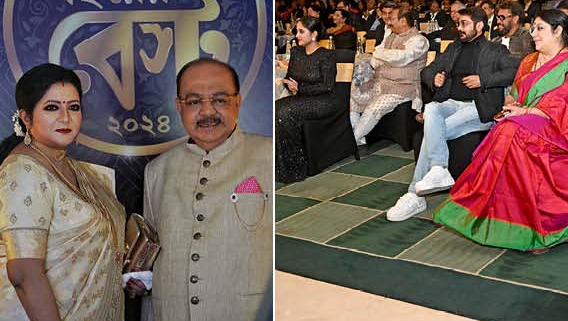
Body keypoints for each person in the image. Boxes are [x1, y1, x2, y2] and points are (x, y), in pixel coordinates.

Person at [432, 9, 568, 252]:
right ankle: (494, 213)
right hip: (523, 119)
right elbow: (515, 95)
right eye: (533, 29)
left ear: (558, 30)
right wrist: (512, 105)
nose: (534, 34)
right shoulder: (529, 61)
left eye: (540, 28)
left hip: (558, 127)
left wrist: (527, 112)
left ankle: (537, 225)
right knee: (507, 131)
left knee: (514, 134)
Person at [140, 58, 273, 320]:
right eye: (194, 101)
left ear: (238, 101)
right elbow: (151, 257)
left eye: (220, 99)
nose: (207, 111)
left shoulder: (268, 154)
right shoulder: (157, 170)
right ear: (179, 106)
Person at [0, 64, 125, 320]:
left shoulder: (76, 169)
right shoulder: (22, 171)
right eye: (52, 107)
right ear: (26, 117)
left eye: (74, 107)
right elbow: (24, 273)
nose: (65, 118)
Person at [385, 7, 518, 222]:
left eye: (464, 24)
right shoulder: (454, 48)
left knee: (431, 132)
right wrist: (434, 78)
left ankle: (415, 193)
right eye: (458, 24)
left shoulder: (495, 50)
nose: (459, 28)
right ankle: (438, 168)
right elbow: (427, 70)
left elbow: (516, 70)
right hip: (450, 104)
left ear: (479, 26)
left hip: (478, 109)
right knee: (431, 109)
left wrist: (483, 80)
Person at [275, 17, 339, 183]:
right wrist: (289, 84)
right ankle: (280, 166)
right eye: (296, 31)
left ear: (314, 34)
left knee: (285, 111)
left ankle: (297, 167)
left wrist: (300, 88)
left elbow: (328, 86)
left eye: (301, 31)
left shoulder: (327, 55)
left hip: (324, 101)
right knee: (275, 108)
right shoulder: (296, 52)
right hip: (302, 98)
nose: (297, 35)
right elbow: (291, 77)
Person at [350, 11, 429, 145]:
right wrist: (388, 53)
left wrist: (382, 53)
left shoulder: (419, 40)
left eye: (391, 18)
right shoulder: (391, 36)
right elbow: (376, 58)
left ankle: (351, 141)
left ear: (403, 21)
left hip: (403, 87)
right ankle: (360, 138)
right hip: (380, 82)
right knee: (353, 95)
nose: (387, 21)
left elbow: (401, 59)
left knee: (374, 108)